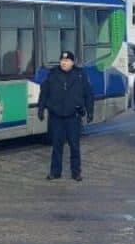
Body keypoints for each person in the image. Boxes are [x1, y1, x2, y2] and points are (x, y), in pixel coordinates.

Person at [38, 50, 94, 181]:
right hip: (56, 116)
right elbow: (44, 93)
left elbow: (88, 94)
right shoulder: (52, 74)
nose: (64, 63)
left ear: (72, 62)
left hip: (73, 116)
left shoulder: (80, 75)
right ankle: (55, 172)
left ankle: (76, 172)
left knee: (74, 146)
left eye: (67, 61)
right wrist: (41, 109)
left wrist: (90, 111)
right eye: (62, 60)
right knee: (56, 146)